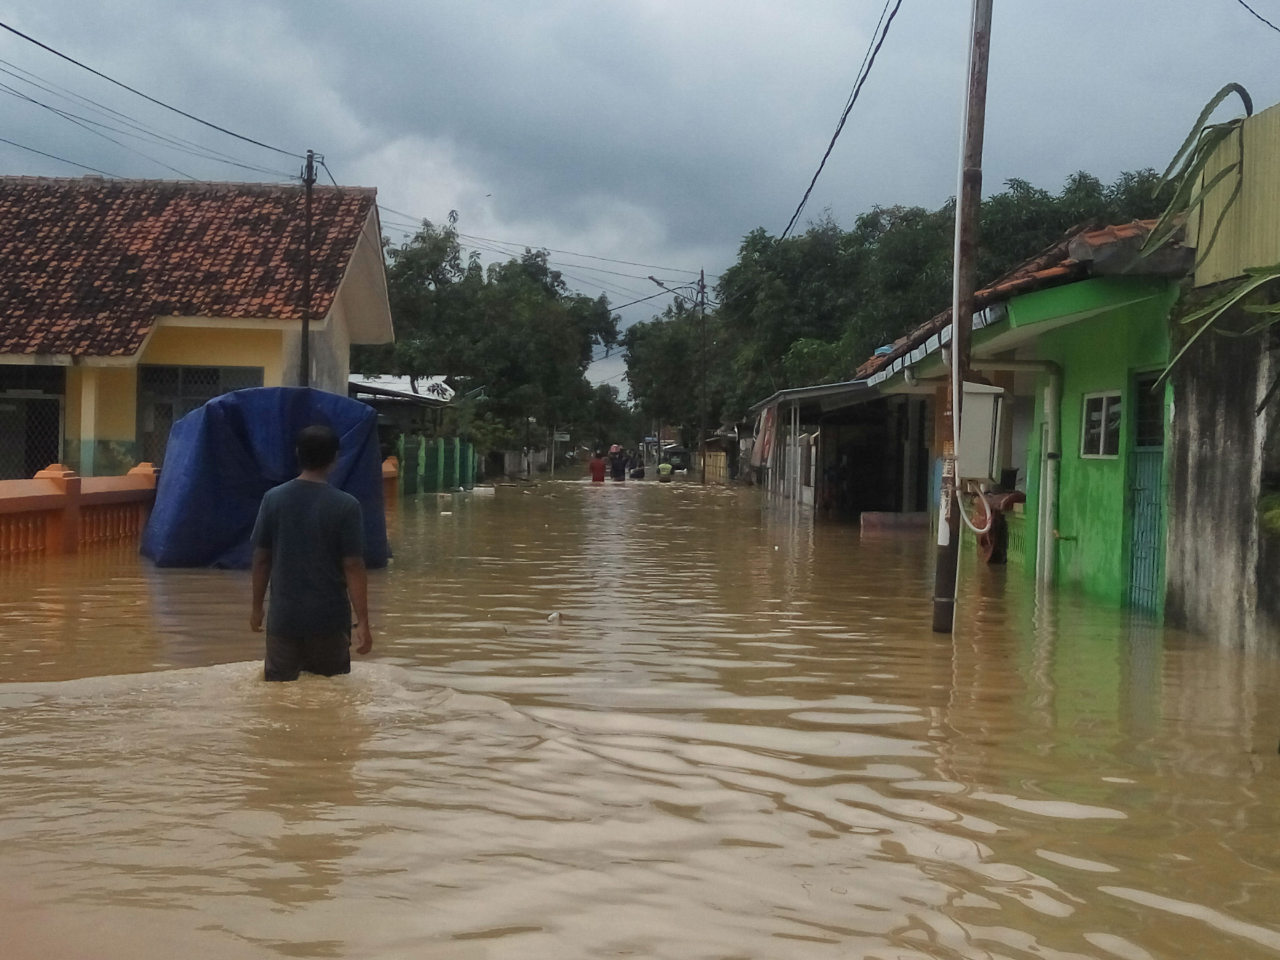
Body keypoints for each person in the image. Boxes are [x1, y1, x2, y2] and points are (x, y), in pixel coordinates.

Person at [250, 424, 374, 682]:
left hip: (284, 620)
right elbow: (353, 566)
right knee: (331, 698)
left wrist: (256, 609)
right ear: (336, 458)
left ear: (297, 454)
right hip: (329, 622)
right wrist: (363, 621)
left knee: (277, 699)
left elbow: (262, 559)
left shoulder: (273, 499)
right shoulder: (347, 506)